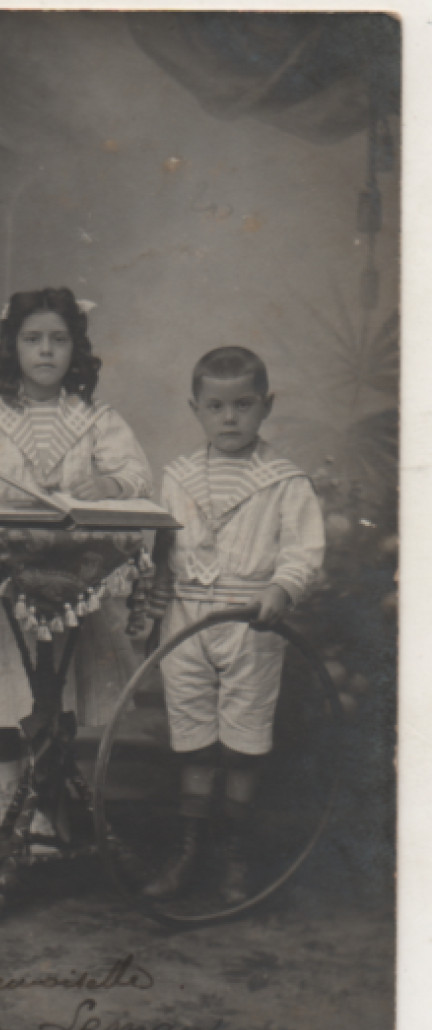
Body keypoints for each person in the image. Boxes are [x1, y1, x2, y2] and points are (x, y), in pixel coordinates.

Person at [0, 286, 153, 851]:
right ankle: (13, 816)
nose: (45, 351)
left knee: (58, 695)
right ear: (12, 347)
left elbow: (138, 475)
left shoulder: (95, 419)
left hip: (74, 584)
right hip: (5, 583)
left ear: (77, 347)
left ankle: (51, 805)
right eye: (32, 339)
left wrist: (110, 483)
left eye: (58, 339)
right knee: (7, 702)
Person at [145, 345, 325, 905]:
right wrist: (150, 600)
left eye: (243, 405)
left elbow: (303, 551)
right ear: (195, 407)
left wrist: (281, 587)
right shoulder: (177, 478)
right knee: (195, 737)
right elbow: (158, 551)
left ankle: (234, 854)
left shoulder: (283, 481)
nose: (230, 418)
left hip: (251, 621)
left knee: (243, 741)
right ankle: (189, 850)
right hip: (187, 618)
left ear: (265, 407)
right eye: (216, 406)